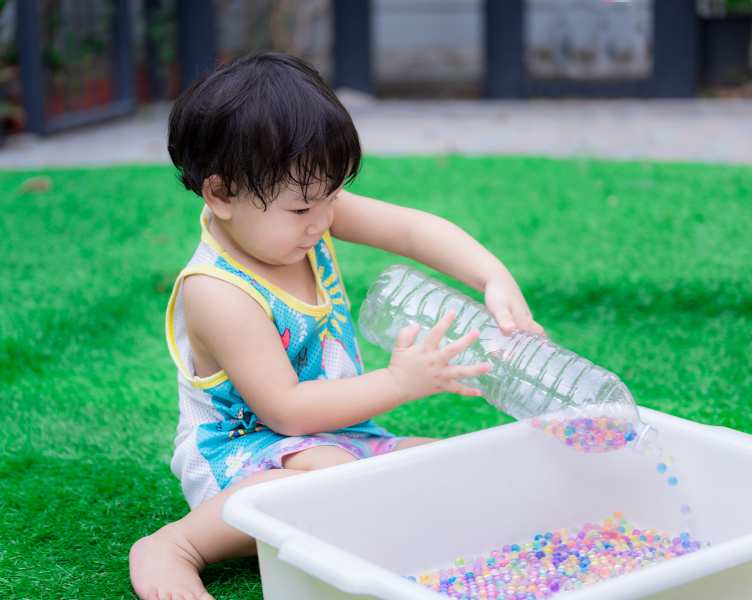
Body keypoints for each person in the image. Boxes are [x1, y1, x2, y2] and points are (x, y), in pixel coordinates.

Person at [129, 52, 544, 600]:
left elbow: (415, 231)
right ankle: (178, 544)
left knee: (443, 466)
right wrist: (399, 384)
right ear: (221, 194)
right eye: (303, 209)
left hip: (338, 435)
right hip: (245, 454)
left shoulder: (306, 208)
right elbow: (286, 409)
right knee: (332, 483)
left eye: (332, 197)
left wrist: (492, 276)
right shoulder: (217, 291)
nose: (324, 220)